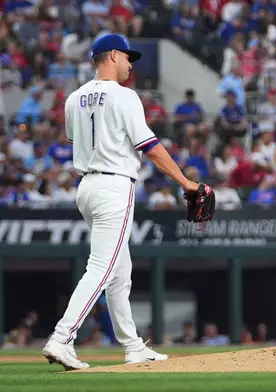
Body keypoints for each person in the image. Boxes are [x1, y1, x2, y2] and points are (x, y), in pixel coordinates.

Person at [42, 34, 201, 371]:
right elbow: (151, 147)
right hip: (114, 185)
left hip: (86, 186)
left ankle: (132, 347)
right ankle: (62, 337)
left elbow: (77, 138)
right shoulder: (125, 96)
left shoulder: (74, 98)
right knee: (101, 268)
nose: (130, 64)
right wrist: (186, 182)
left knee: (120, 273)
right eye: (127, 57)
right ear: (112, 55)